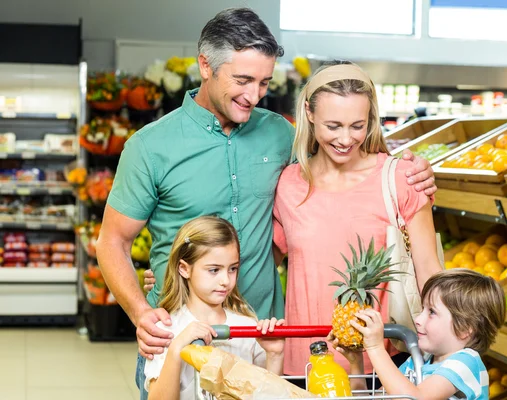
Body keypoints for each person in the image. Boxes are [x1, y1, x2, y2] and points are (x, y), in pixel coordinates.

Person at [96, 7, 436, 399]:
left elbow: (340, 158)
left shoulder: (279, 134)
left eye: (263, 82)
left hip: (266, 339)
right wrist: (141, 312)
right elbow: (112, 242)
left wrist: (405, 168)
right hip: (181, 336)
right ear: (205, 65)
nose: (254, 95)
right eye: (242, 80)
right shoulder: (150, 146)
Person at [272, 61, 443, 377]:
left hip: (381, 367)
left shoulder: (401, 179)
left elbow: (429, 270)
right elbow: (262, 262)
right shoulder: (289, 183)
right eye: (333, 126)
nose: (345, 139)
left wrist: (451, 350)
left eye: (357, 125)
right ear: (309, 113)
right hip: (303, 364)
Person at [145, 216, 285, 400]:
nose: (226, 280)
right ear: (184, 269)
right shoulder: (166, 330)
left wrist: (275, 355)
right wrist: (177, 347)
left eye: (232, 269)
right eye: (214, 270)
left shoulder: (249, 326)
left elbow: (265, 396)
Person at [333, 269, 506, 400]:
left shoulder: (467, 362)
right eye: (422, 308)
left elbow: (414, 398)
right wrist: (356, 363)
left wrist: (376, 348)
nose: (418, 319)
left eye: (431, 312)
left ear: (465, 328)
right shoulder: (418, 360)